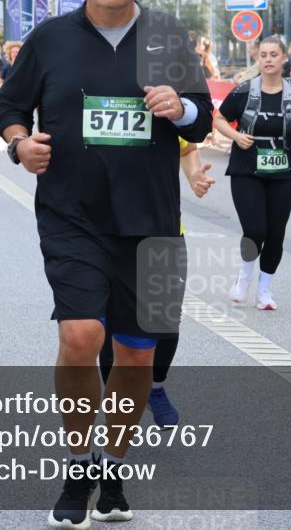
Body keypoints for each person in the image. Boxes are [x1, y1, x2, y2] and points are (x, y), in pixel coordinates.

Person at [0, 0, 213, 528]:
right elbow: (10, 106)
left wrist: (182, 105)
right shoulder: (51, 39)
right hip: (73, 216)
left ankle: (113, 467)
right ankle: (79, 463)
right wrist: (20, 144)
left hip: (154, 224)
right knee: (81, 336)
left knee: (137, 358)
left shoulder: (170, 38)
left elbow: (202, 120)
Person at [98, 138, 216, 427]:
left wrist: (193, 176)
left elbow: (187, 148)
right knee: (111, 322)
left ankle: (155, 387)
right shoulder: (98, 98)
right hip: (105, 230)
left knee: (164, 321)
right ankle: (119, 401)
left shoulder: (162, 102)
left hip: (161, 230)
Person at [213, 35, 291, 310]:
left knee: (276, 233)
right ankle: (245, 276)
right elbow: (219, 119)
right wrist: (236, 136)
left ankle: (265, 290)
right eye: (264, 55)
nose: (269, 59)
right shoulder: (243, 91)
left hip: (283, 171)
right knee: (254, 228)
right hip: (246, 168)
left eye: (274, 54)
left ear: (284, 58)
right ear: (258, 59)